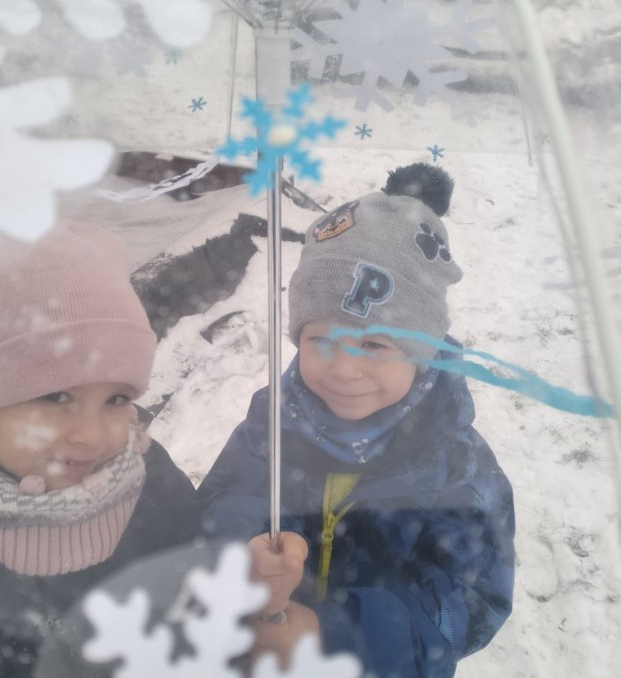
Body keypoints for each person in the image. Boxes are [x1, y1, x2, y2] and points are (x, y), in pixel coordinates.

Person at [198, 164, 516, 677]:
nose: (344, 370)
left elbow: (473, 603)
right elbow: (220, 506)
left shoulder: (456, 466)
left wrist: (336, 636)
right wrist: (245, 556)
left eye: (373, 344)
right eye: (321, 339)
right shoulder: (270, 425)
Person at [0, 221, 198, 677]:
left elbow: (195, 583)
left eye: (115, 399)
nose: (91, 436)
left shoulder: (147, 476)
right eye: (55, 396)